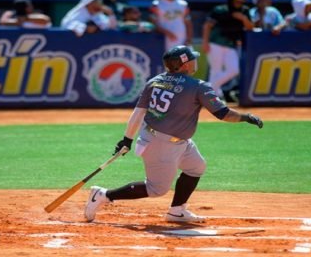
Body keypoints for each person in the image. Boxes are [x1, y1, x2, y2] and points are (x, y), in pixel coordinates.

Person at [84, 45, 263, 223]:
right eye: (192, 59)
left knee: (196, 167)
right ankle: (103, 195)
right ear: (184, 64)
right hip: (161, 144)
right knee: (156, 189)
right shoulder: (198, 86)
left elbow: (138, 113)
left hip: (169, 139)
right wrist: (246, 117)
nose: (195, 61)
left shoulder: (154, 81)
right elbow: (223, 114)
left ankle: (177, 211)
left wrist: (127, 139)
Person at [202, 0, 254, 100]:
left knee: (234, 70)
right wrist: (205, 42)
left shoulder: (244, 10)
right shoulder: (220, 9)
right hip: (216, 43)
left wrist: (243, 18)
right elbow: (207, 26)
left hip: (231, 45)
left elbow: (250, 27)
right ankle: (214, 98)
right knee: (215, 71)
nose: (240, 0)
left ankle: (206, 90)